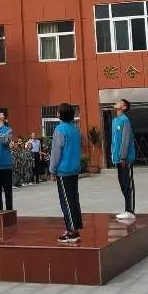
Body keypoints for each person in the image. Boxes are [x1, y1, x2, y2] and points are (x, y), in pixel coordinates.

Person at [49, 103, 83, 244]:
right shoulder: (75, 129)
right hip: (74, 168)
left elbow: (56, 152)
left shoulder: (60, 130)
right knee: (73, 200)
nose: (57, 113)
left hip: (64, 170)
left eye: (58, 111)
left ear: (61, 114)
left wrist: (52, 170)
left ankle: (71, 232)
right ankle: (75, 227)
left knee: (66, 202)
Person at [111, 99, 136, 222]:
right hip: (117, 159)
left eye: (119, 102)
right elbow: (114, 141)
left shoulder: (125, 120)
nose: (116, 102)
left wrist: (123, 156)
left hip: (125, 159)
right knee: (122, 184)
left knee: (128, 184)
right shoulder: (115, 121)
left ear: (124, 107)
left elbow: (125, 140)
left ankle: (130, 210)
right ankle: (127, 209)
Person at [0, 112, 14, 211]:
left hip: (6, 166)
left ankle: (9, 211)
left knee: (8, 191)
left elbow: (4, 141)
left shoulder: (8, 130)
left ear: (3, 120)